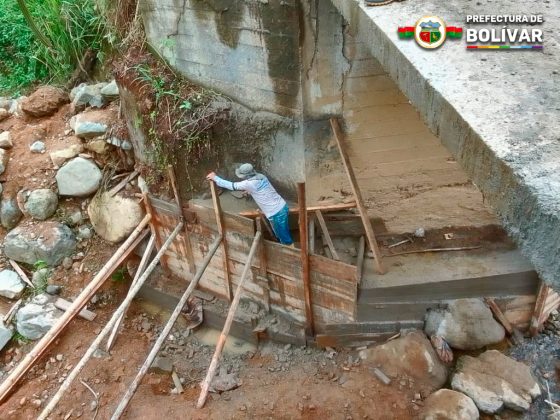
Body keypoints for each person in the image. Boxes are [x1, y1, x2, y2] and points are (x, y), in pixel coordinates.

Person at [206, 163, 293, 245]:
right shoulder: (261, 177)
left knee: (285, 239)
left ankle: (291, 256)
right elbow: (262, 189)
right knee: (280, 233)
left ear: (245, 175)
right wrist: (249, 191)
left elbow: (231, 185)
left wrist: (215, 178)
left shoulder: (248, 183)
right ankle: (284, 246)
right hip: (282, 206)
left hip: (276, 213)